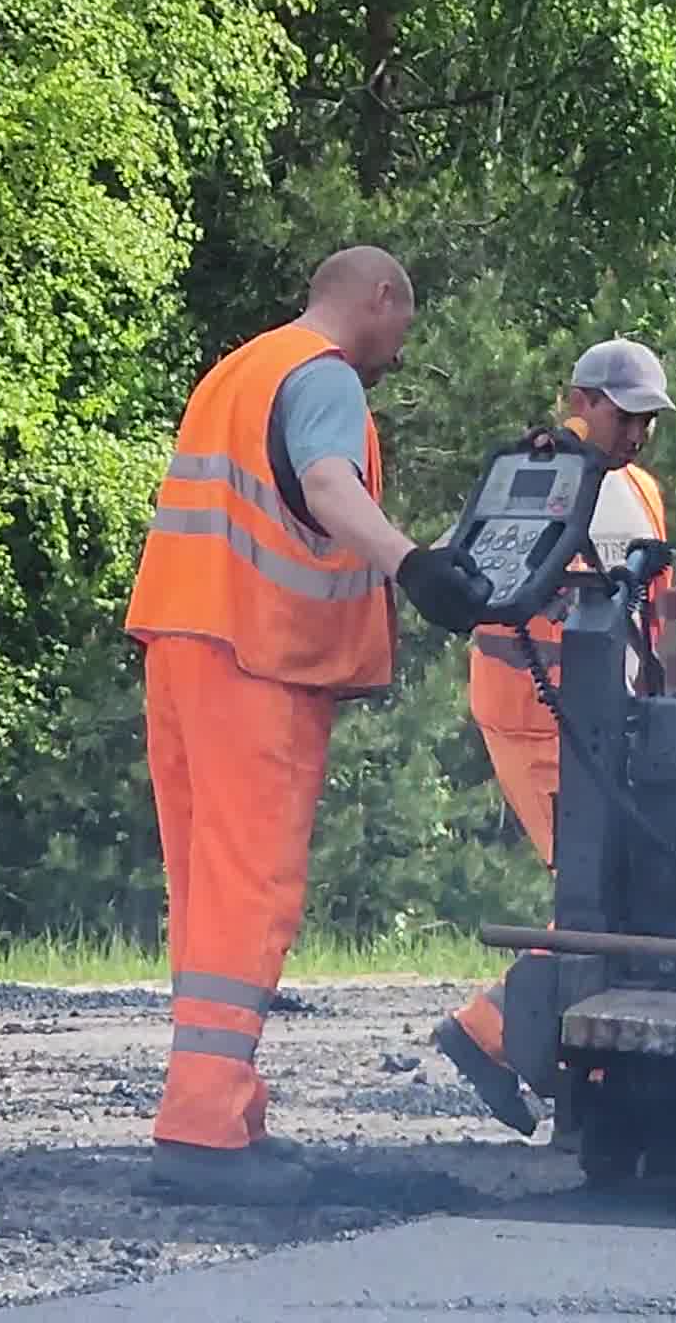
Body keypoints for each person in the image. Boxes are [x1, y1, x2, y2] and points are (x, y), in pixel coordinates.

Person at [124, 245, 491, 1203]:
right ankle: (205, 1134)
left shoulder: (239, 371)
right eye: (403, 327)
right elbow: (329, 487)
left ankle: (220, 1108)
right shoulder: (320, 378)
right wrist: (412, 564)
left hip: (186, 645)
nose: (400, 354)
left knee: (209, 891)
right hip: (258, 660)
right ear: (377, 299)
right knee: (253, 891)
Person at [435, 336, 676, 1139]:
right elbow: (471, 564)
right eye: (625, 414)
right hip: (538, 710)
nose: (637, 432)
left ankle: (571, 1049)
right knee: (593, 888)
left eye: (648, 419)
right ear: (581, 400)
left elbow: (662, 606)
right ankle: (491, 1035)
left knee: (613, 885)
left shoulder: (639, 489)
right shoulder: (540, 478)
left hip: (611, 716)